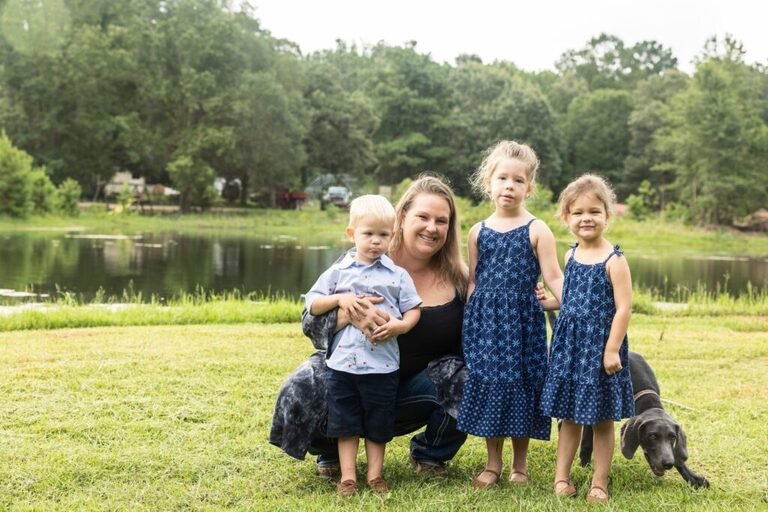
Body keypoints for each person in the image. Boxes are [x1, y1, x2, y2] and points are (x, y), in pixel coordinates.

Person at [270, 175, 469, 483]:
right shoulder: (360, 259)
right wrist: (347, 314)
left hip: (411, 392)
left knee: (470, 378)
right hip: (350, 375)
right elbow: (310, 323)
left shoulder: (459, 278)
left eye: (441, 221)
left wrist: (530, 294)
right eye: (423, 217)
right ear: (402, 218)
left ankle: (430, 453)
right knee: (301, 385)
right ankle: (330, 450)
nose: (432, 227)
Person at [458, 140, 564, 488]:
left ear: (529, 187)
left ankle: (520, 465)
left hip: (523, 325)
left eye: (518, 180)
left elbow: (553, 277)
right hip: (486, 325)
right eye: (502, 178)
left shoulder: (537, 229)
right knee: (492, 387)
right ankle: (493, 463)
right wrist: (468, 325)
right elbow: (474, 281)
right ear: (488, 181)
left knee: (521, 387)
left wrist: (573, 304)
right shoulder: (477, 232)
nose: (509, 186)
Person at [304, 194, 423, 496]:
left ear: (392, 236)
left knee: (378, 422)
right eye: (368, 234)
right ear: (351, 234)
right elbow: (313, 304)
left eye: (383, 235)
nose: (375, 241)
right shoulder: (339, 272)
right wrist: (341, 298)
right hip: (342, 365)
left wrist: (402, 325)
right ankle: (347, 477)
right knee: (345, 422)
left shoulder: (397, 275)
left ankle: (375, 475)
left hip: (382, 365)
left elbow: (413, 309)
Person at [539, 174, 634, 504]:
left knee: (602, 418)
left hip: (598, 349)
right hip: (570, 349)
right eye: (577, 212)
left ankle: (599, 481)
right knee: (569, 417)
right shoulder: (571, 256)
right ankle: (561, 477)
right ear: (566, 218)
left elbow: (624, 308)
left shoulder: (614, 260)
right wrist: (549, 302)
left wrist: (611, 349)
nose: (586, 218)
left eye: (594, 211)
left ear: (607, 215)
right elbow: (570, 299)